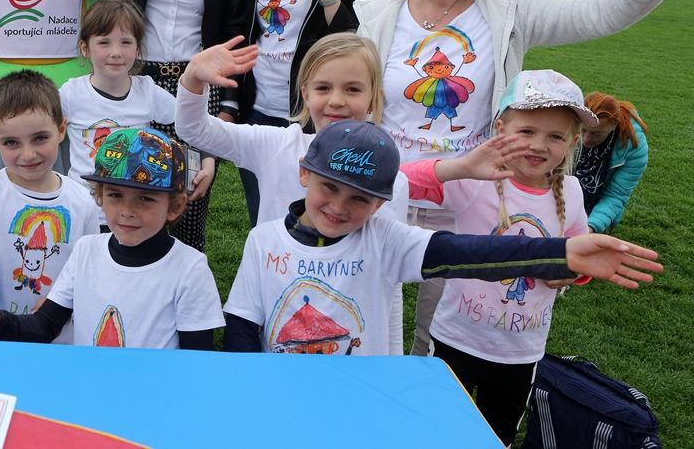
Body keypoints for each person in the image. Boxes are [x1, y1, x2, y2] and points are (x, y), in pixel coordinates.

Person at [352, 0, 682, 356]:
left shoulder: (508, 10)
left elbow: (593, 12)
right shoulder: (380, 14)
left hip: (470, 198)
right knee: (369, 323)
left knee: (442, 338)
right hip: (389, 190)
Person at [222, 120, 661, 364]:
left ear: (380, 204)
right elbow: (243, 325)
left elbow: (466, 253)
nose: (339, 207)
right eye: (328, 188)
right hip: (277, 392)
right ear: (304, 174)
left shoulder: (385, 239)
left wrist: (560, 253)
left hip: (359, 398)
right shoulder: (263, 241)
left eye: (360, 198)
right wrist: (253, 391)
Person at [175, 32, 407, 354]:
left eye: (352, 89)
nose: (336, 100)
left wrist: (391, 361)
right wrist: (193, 77)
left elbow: (390, 285)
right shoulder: (276, 144)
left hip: (354, 340)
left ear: (374, 97)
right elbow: (194, 130)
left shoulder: (387, 174)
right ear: (305, 93)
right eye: (323, 88)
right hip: (278, 322)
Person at [401, 70, 597, 446]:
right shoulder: (477, 181)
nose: (539, 146)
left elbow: (579, 249)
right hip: (455, 340)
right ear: (501, 128)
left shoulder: (571, 192)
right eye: (526, 131)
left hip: (520, 353)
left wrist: (571, 274)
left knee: (496, 437)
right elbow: (398, 182)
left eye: (555, 136)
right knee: (437, 431)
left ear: (573, 141)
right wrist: (459, 167)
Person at [75, 0, 253, 251]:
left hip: (197, 87)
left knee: (188, 204)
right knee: (132, 200)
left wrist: (227, 110)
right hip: (137, 83)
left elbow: (236, 30)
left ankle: (181, 304)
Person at [0, 127, 226, 349]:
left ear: (174, 206)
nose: (126, 211)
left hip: (154, 405)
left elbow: (196, 361)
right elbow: (44, 327)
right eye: (115, 196)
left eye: (145, 199)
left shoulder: (190, 268)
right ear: (99, 197)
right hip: (88, 396)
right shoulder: (87, 250)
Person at [236, 0, 387, 226]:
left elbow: (366, 46)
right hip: (258, 114)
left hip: (314, 117)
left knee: (316, 217)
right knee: (264, 216)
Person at [0, 70, 101, 341]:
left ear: (61, 130)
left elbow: (92, 277)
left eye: (39, 138)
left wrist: (63, 304)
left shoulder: (82, 200)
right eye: (11, 142)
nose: (28, 154)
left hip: (63, 343)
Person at [58, 0, 212, 207]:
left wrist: (208, 160)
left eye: (126, 42)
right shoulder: (70, 93)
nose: (116, 52)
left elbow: (197, 123)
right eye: (104, 42)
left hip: (135, 213)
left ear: (138, 48)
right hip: (84, 212)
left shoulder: (147, 91)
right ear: (85, 48)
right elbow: (36, 126)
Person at [578, 92, 649, 233]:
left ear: (613, 126)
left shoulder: (634, 148)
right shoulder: (568, 124)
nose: (586, 139)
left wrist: (590, 228)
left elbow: (615, 195)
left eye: (596, 134)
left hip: (595, 208)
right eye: (583, 130)